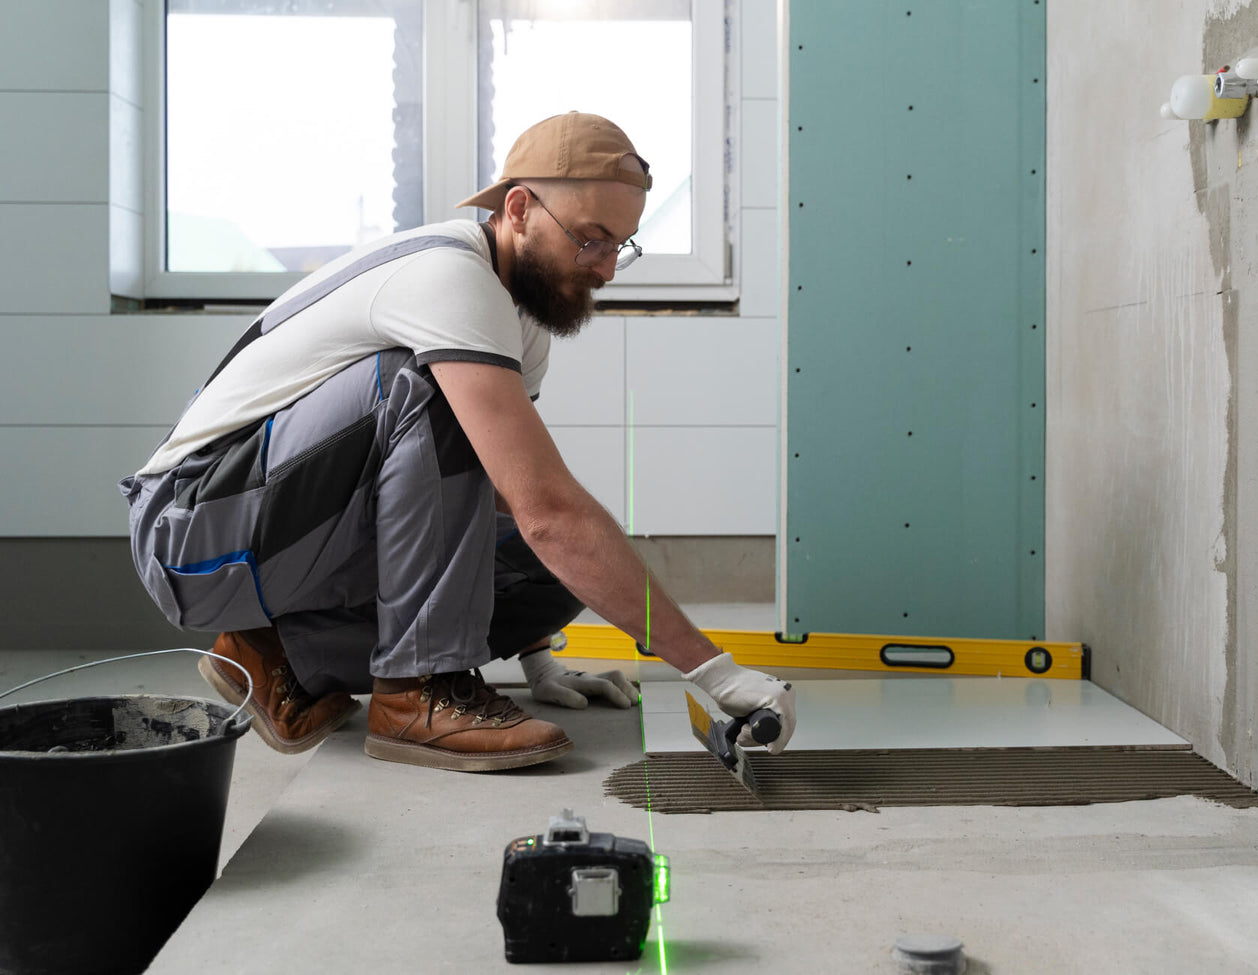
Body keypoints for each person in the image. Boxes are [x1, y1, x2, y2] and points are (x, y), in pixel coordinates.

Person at [119, 112, 796, 772]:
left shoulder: (519, 319)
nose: (607, 268)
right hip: (191, 530)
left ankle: (280, 653)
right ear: (521, 208)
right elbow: (547, 507)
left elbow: (494, 495)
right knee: (437, 400)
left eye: (621, 244)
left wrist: (538, 657)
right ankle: (419, 691)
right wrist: (714, 670)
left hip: (284, 534)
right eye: (591, 240)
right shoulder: (449, 276)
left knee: (552, 570)